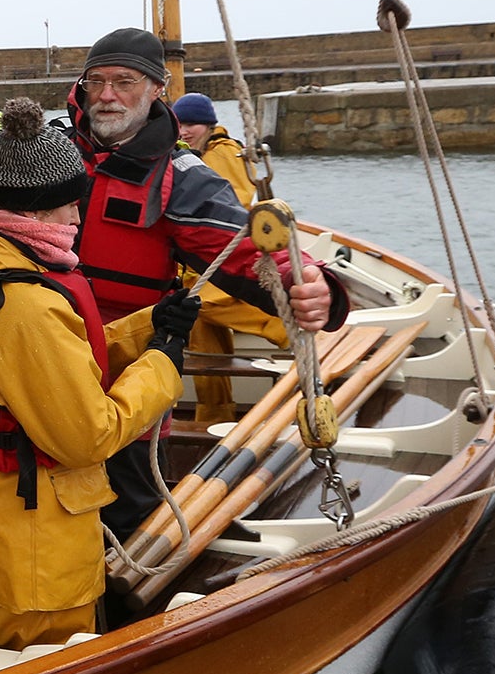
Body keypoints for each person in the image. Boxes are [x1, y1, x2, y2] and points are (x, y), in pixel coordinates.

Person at [0, 98, 198, 650]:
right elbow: (87, 435)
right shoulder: (22, 304)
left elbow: (58, 362)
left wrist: (148, 327)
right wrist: (163, 365)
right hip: (35, 547)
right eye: (67, 207)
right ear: (31, 214)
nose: (77, 219)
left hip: (15, 521)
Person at [67, 28, 349, 534]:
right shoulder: (45, 151)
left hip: (125, 381)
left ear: (157, 89)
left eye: (124, 82)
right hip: (40, 363)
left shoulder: (180, 176)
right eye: (98, 82)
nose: (107, 96)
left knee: (128, 515)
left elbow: (243, 248)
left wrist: (305, 282)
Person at [172, 91, 289, 424]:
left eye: (191, 124)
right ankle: (213, 414)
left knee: (198, 303)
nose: (183, 131)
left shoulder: (222, 153)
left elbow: (228, 204)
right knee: (204, 341)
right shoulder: (198, 153)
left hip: (218, 260)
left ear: (209, 125)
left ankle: (285, 327)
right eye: (179, 124)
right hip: (199, 265)